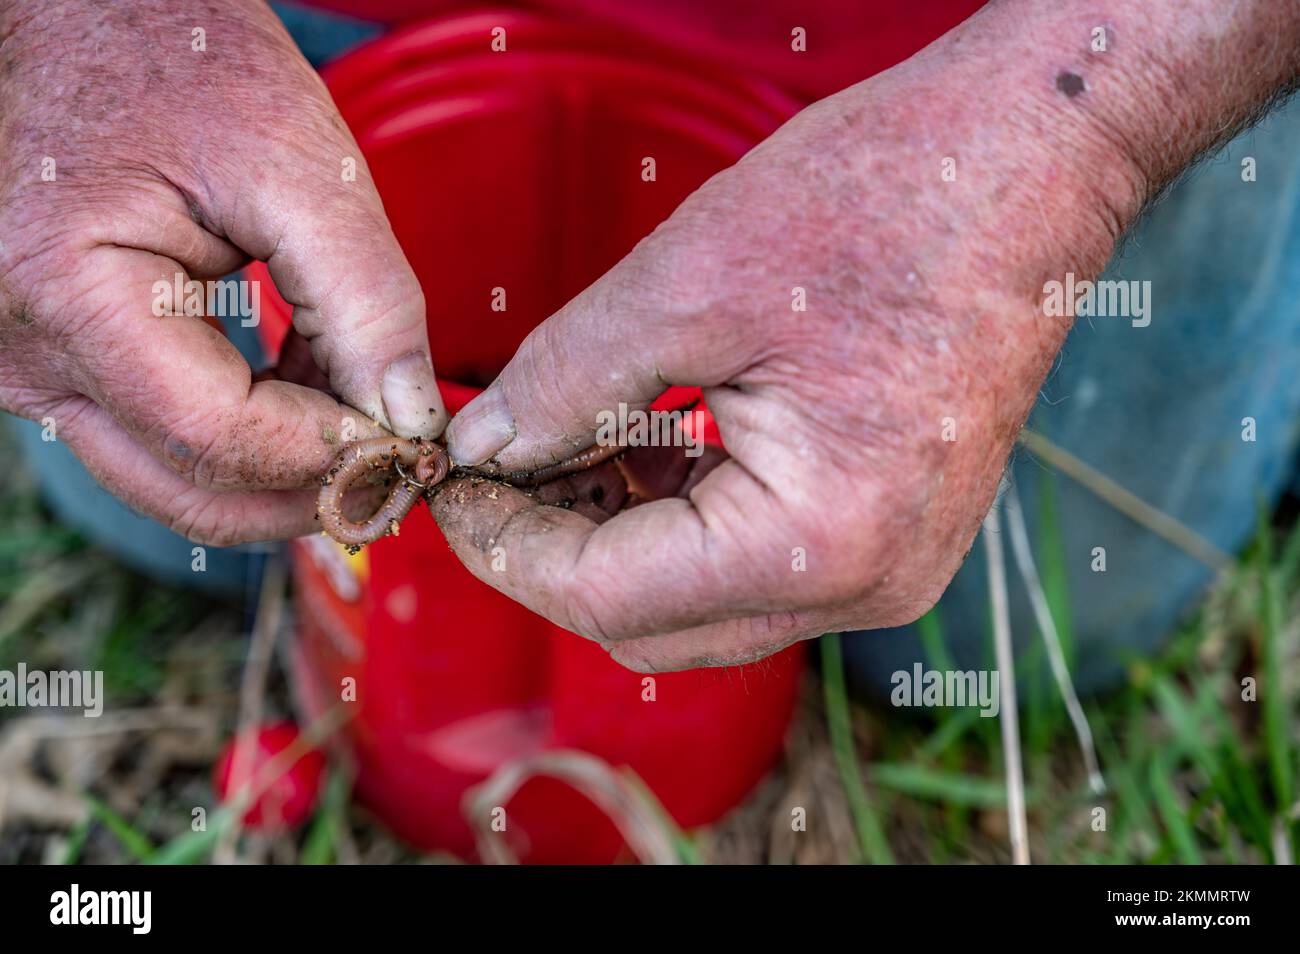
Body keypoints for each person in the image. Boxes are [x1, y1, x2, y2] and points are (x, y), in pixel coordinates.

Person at [2, 0, 1297, 685]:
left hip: (1016, 52)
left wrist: (1093, 128)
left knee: (1025, 639)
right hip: (277, 34)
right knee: (149, 486)